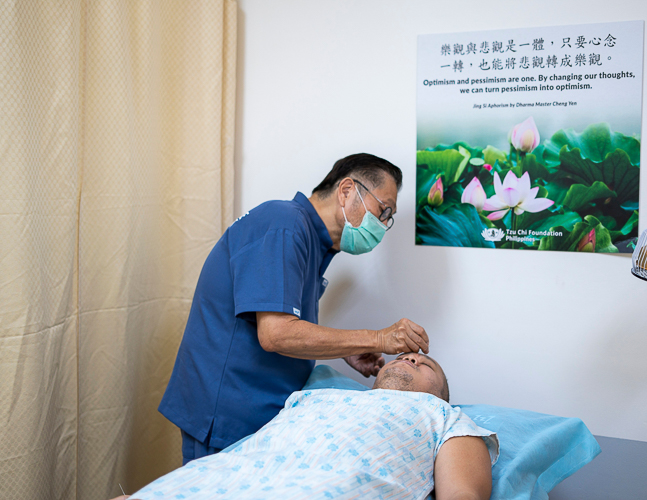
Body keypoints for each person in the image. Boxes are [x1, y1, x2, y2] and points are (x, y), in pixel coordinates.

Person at [158, 154, 431, 465]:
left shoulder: (312, 243)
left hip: (262, 415)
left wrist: (347, 349)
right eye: (383, 211)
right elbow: (276, 334)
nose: (382, 226)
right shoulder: (283, 225)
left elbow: (280, 320)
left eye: (388, 219)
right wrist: (378, 339)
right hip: (226, 412)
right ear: (345, 190)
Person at [119, 352, 498, 500]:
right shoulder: (316, 397)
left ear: (442, 395)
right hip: (226, 480)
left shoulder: (444, 417)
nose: (411, 358)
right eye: (404, 356)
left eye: (425, 365)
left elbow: (463, 496)